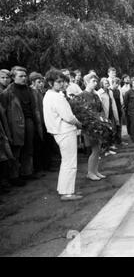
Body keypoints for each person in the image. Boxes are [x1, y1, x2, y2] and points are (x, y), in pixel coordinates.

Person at [43, 69, 83, 201]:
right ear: (50, 83)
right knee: (70, 162)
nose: (61, 84)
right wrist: (79, 123)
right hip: (65, 131)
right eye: (58, 82)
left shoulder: (49, 95)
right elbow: (68, 117)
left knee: (66, 161)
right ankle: (67, 193)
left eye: (62, 81)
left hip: (59, 131)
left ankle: (63, 189)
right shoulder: (56, 97)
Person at [0, 66, 43, 185]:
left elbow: (35, 108)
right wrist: (8, 131)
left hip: (30, 122)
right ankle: (14, 176)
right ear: (13, 77)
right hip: (15, 125)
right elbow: (3, 113)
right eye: (21, 76)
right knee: (16, 151)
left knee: (29, 149)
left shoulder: (31, 91)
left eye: (25, 76)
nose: (24, 78)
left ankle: (27, 172)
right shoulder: (7, 93)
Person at [79, 73, 106, 181]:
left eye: (96, 81)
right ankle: (90, 172)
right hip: (90, 126)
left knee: (98, 149)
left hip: (98, 124)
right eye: (93, 81)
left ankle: (95, 171)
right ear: (86, 82)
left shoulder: (95, 95)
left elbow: (100, 109)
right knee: (94, 150)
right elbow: (81, 112)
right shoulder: (82, 95)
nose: (95, 83)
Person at [29, 72, 48, 175]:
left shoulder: (41, 92)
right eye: (39, 82)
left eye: (42, 82)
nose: (41, 84)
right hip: (37, 122)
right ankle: (38, 167)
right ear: (33, 82)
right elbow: (36, 108)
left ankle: (44, 165)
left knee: (44, 143)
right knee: (37, 145)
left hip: (44, 120)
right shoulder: (32, 92)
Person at [98, 78, 120, 155]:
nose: (107, 85)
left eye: (107, 83)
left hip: (112, 112)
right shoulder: (100, 93)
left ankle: (111, 145)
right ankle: (105, 149)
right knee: (106, 131)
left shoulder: (110, 91)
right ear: (102, 84)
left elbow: (112, 102)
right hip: (105, 114)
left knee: (113, 129)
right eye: (105, 83)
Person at [110, 77, 126, 146]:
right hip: (113, 111)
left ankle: (119, 141)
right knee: (114, 128)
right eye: (116, 84)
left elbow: (119, 101)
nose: (117, 85)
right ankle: (113, 142)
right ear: (113, 83)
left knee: (119, 127)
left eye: (118, 84)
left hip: (119, 110)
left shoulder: (118, 91)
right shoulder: (110, 91)